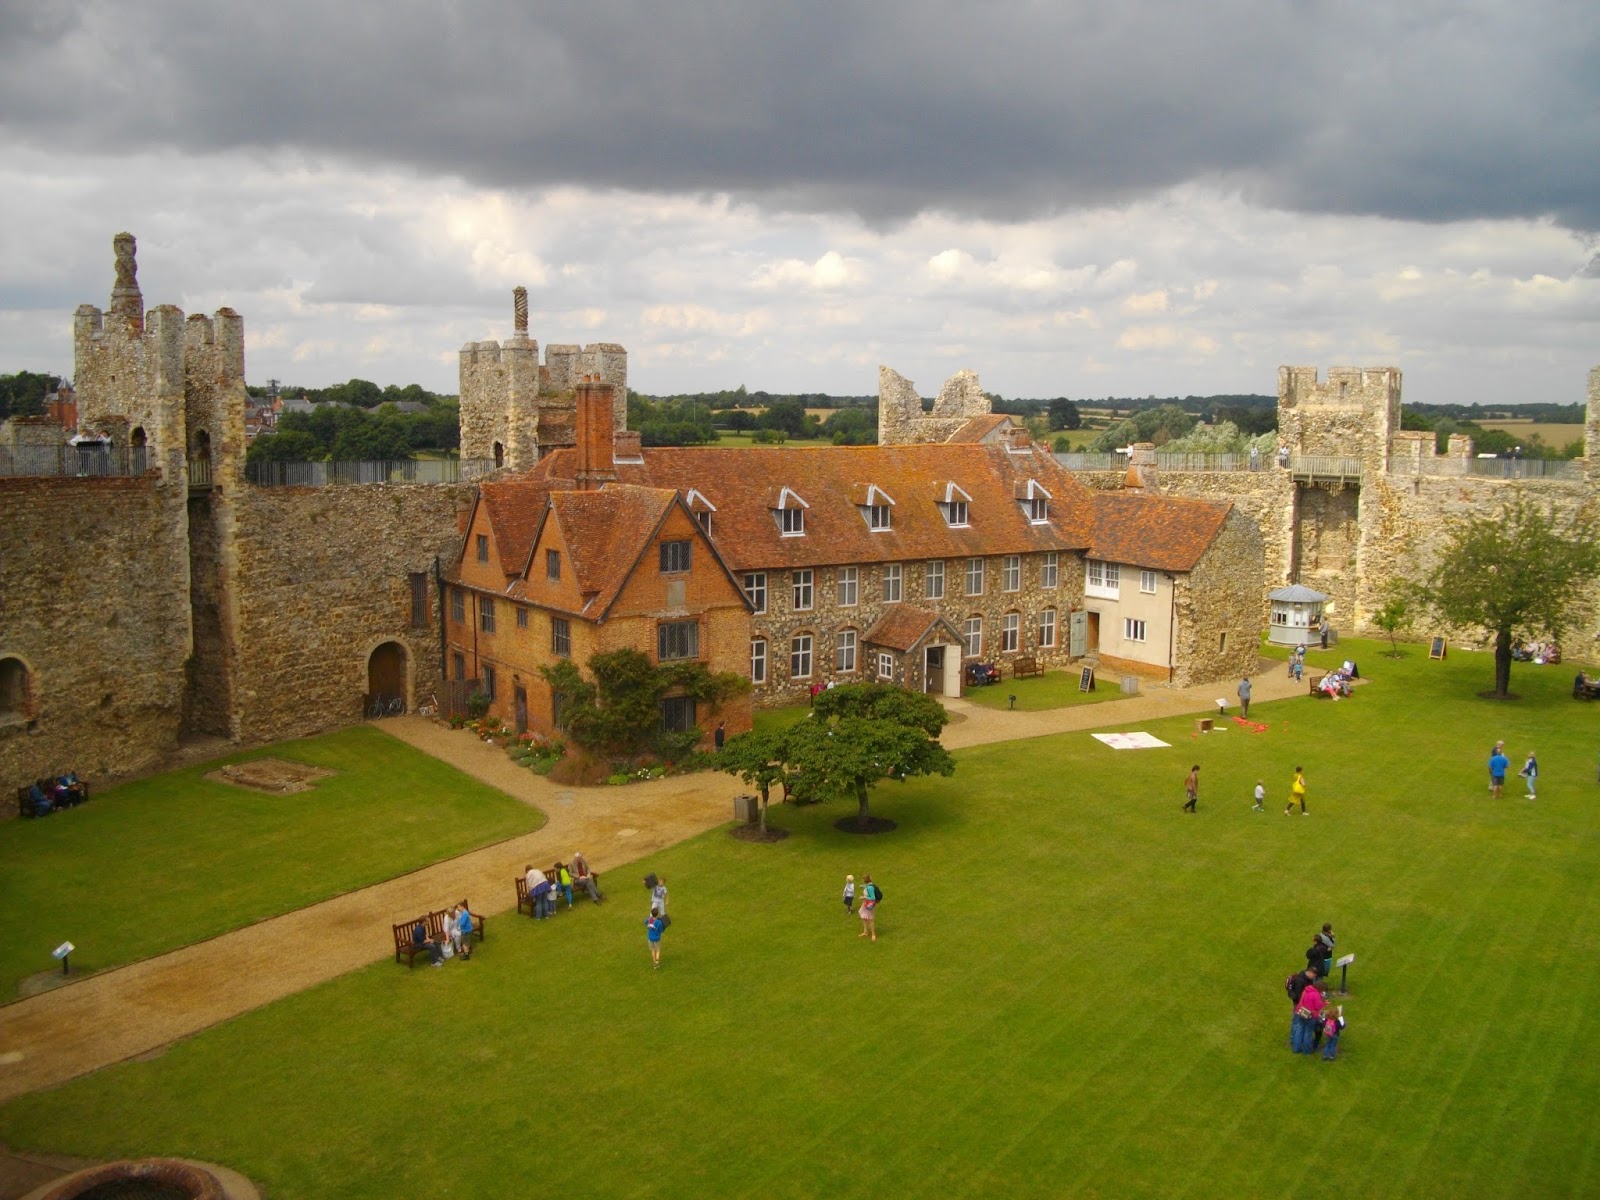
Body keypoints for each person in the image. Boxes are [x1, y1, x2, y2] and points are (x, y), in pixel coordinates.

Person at [1286, 965, 1319, 1050]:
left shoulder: (1308, 979)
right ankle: (1293, 1039)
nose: (1314, 978)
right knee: (1297, 1022)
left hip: (1303, 1004)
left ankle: (1297, 1040)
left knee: (1300, 1023)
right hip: (1299, 1004)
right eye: (1314, 976)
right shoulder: (1300, 980)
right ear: (1310, 973)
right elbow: (1298, 995)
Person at [1293, 973, 1327, 1054]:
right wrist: (1324, 1003)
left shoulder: (1306, 990)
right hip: (1310, 1014)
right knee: (1308, 1032)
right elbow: (1317, 1007)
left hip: (1301, 1011)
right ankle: (1306, 1051)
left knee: (1300, 1029)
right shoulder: (1316, 994)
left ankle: (1296, 1048)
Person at [858, 875, 880, 941]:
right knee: (864, 917)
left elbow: (873, 898)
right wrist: (862, 886)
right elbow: (866, 886)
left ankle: (873, 934)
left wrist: (864, 897)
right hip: (865, 904)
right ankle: (865, 932)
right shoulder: (868, 885)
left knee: (870, 919)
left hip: (869, 905)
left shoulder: (870, 888)